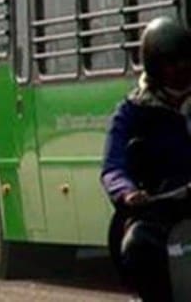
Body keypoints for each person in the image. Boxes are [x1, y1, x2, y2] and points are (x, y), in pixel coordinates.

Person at [102, 16, 191, 302]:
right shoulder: (132, 112)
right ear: (154, 66)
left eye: (186, 59)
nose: (181, 69)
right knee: (138, 246)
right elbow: (113, 166)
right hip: (159, 211)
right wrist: (127, 193)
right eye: (171, 62)